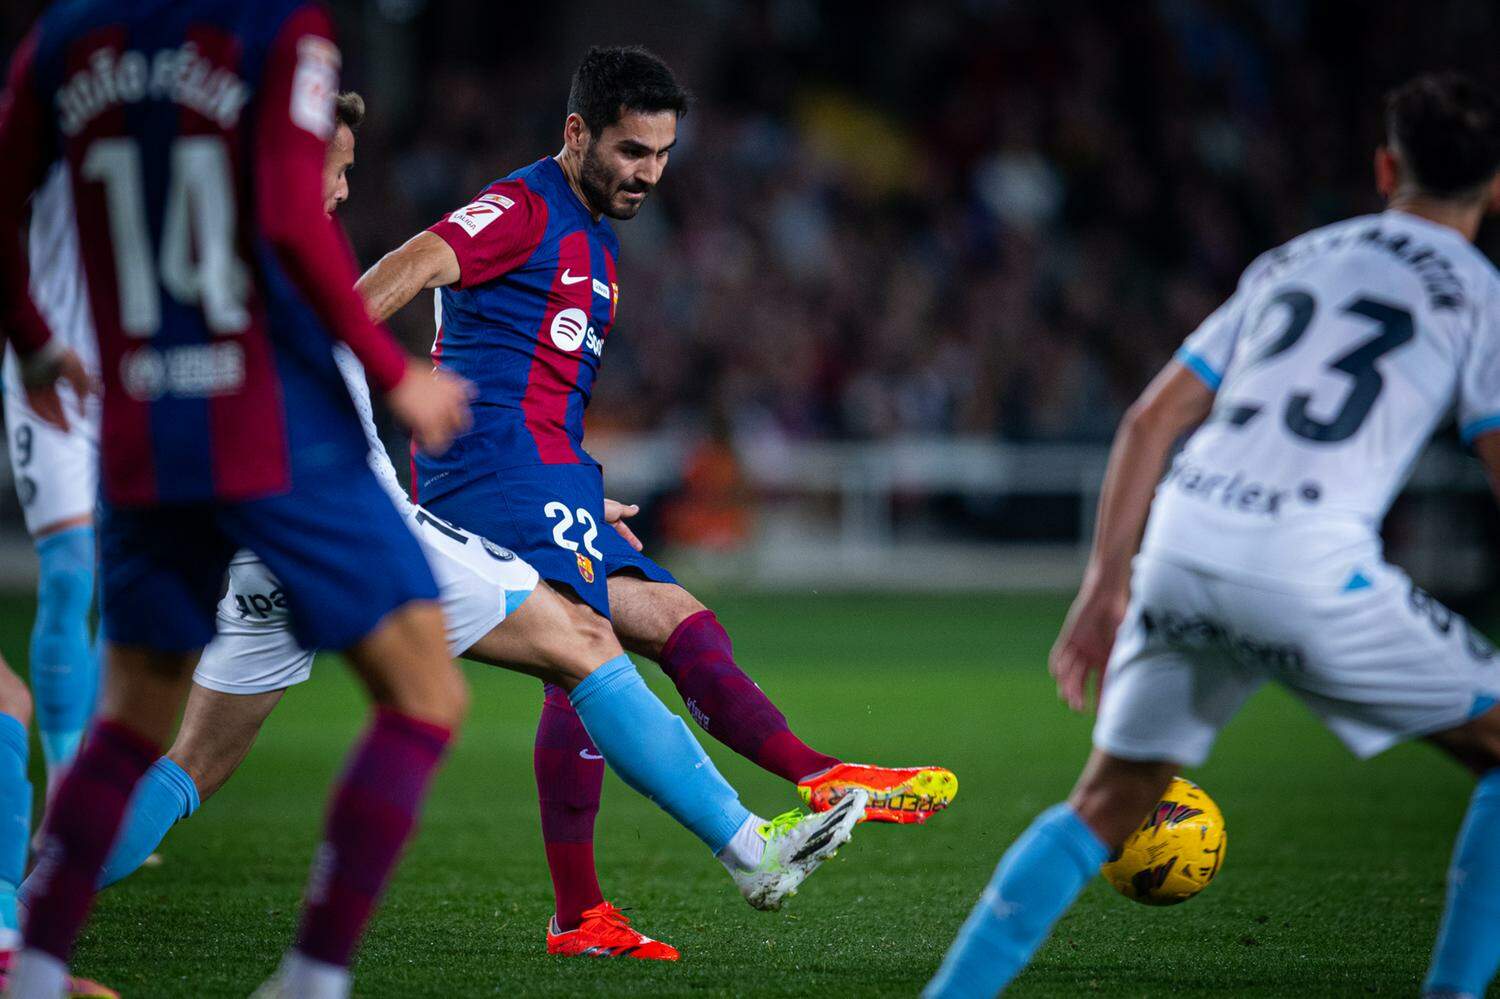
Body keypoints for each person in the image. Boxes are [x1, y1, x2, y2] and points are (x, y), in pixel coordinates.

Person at [79, 91, 870, 961]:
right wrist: (384, 370)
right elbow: (384, 286)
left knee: (194, 761)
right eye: (337, 170)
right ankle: (749, 849)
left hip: (246, 545)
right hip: (341, 518)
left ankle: (26, 900)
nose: (343, 192)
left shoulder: (189, 251)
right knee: (580, 638)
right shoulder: (297, 255)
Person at [356, 43, 958, 953]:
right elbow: (410, 263)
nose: (649, 173)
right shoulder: (523, 205)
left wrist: (577, 493)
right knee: (586, 654)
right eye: (632, 151)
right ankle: (806, 786)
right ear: (577, 134)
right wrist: (349, 355)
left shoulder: (594, 233)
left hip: (549, 474)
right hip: (492, 474)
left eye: (662, 153)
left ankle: (590, 905)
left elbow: (536, 375)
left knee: (675, 618)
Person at [925, 71, 1500, 998]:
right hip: (1307, 558)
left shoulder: (1294, 260)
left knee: (1105, 802)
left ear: (1387, 166)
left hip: (1185, 537)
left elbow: (1150, 421)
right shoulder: (1479, 292)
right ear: (1497, 187)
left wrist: (1105, 584)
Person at [0, 2, 479, 996]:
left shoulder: (63, 40)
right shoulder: (273, 26)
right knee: (426, 693)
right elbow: (288, 214)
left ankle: (33, 974)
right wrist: (396, 373)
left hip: (139, 418)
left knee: (130, 721)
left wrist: (35, 340)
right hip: (266, 417)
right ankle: (310, 979)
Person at [1, 164, 100, 797]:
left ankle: (108, 789)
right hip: (50, 370)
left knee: (135, 588)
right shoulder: (55, 82)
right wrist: (33, 341)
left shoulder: (205, 89)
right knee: (68, 574)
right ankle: (68, 794)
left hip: (152, 372)